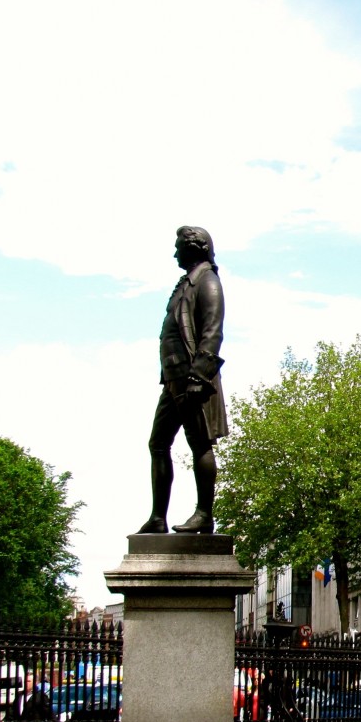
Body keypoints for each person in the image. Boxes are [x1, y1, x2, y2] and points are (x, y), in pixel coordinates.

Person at [137, 226, 228, 534]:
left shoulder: (207, 282)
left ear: (196, 247)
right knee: (158, 443)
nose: (175, 253)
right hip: (173, 379)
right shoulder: (187, 283)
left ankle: (204, 514)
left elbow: (212, 333)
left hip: (191, 379)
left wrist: (198, 379)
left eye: (179, 247)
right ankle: (158, 517)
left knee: (199, 443)